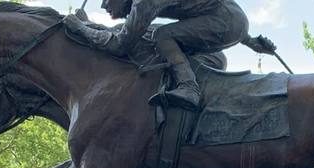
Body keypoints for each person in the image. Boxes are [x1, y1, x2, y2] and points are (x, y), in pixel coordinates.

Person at [63, 0, 276, 111]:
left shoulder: (143, 3)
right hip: (232, 20)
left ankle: (189, 87)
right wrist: (250, 41)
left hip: (227, 22)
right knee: (157, 34)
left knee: (162, 35)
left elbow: (121, 44)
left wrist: (81, 29)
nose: (104, 5)